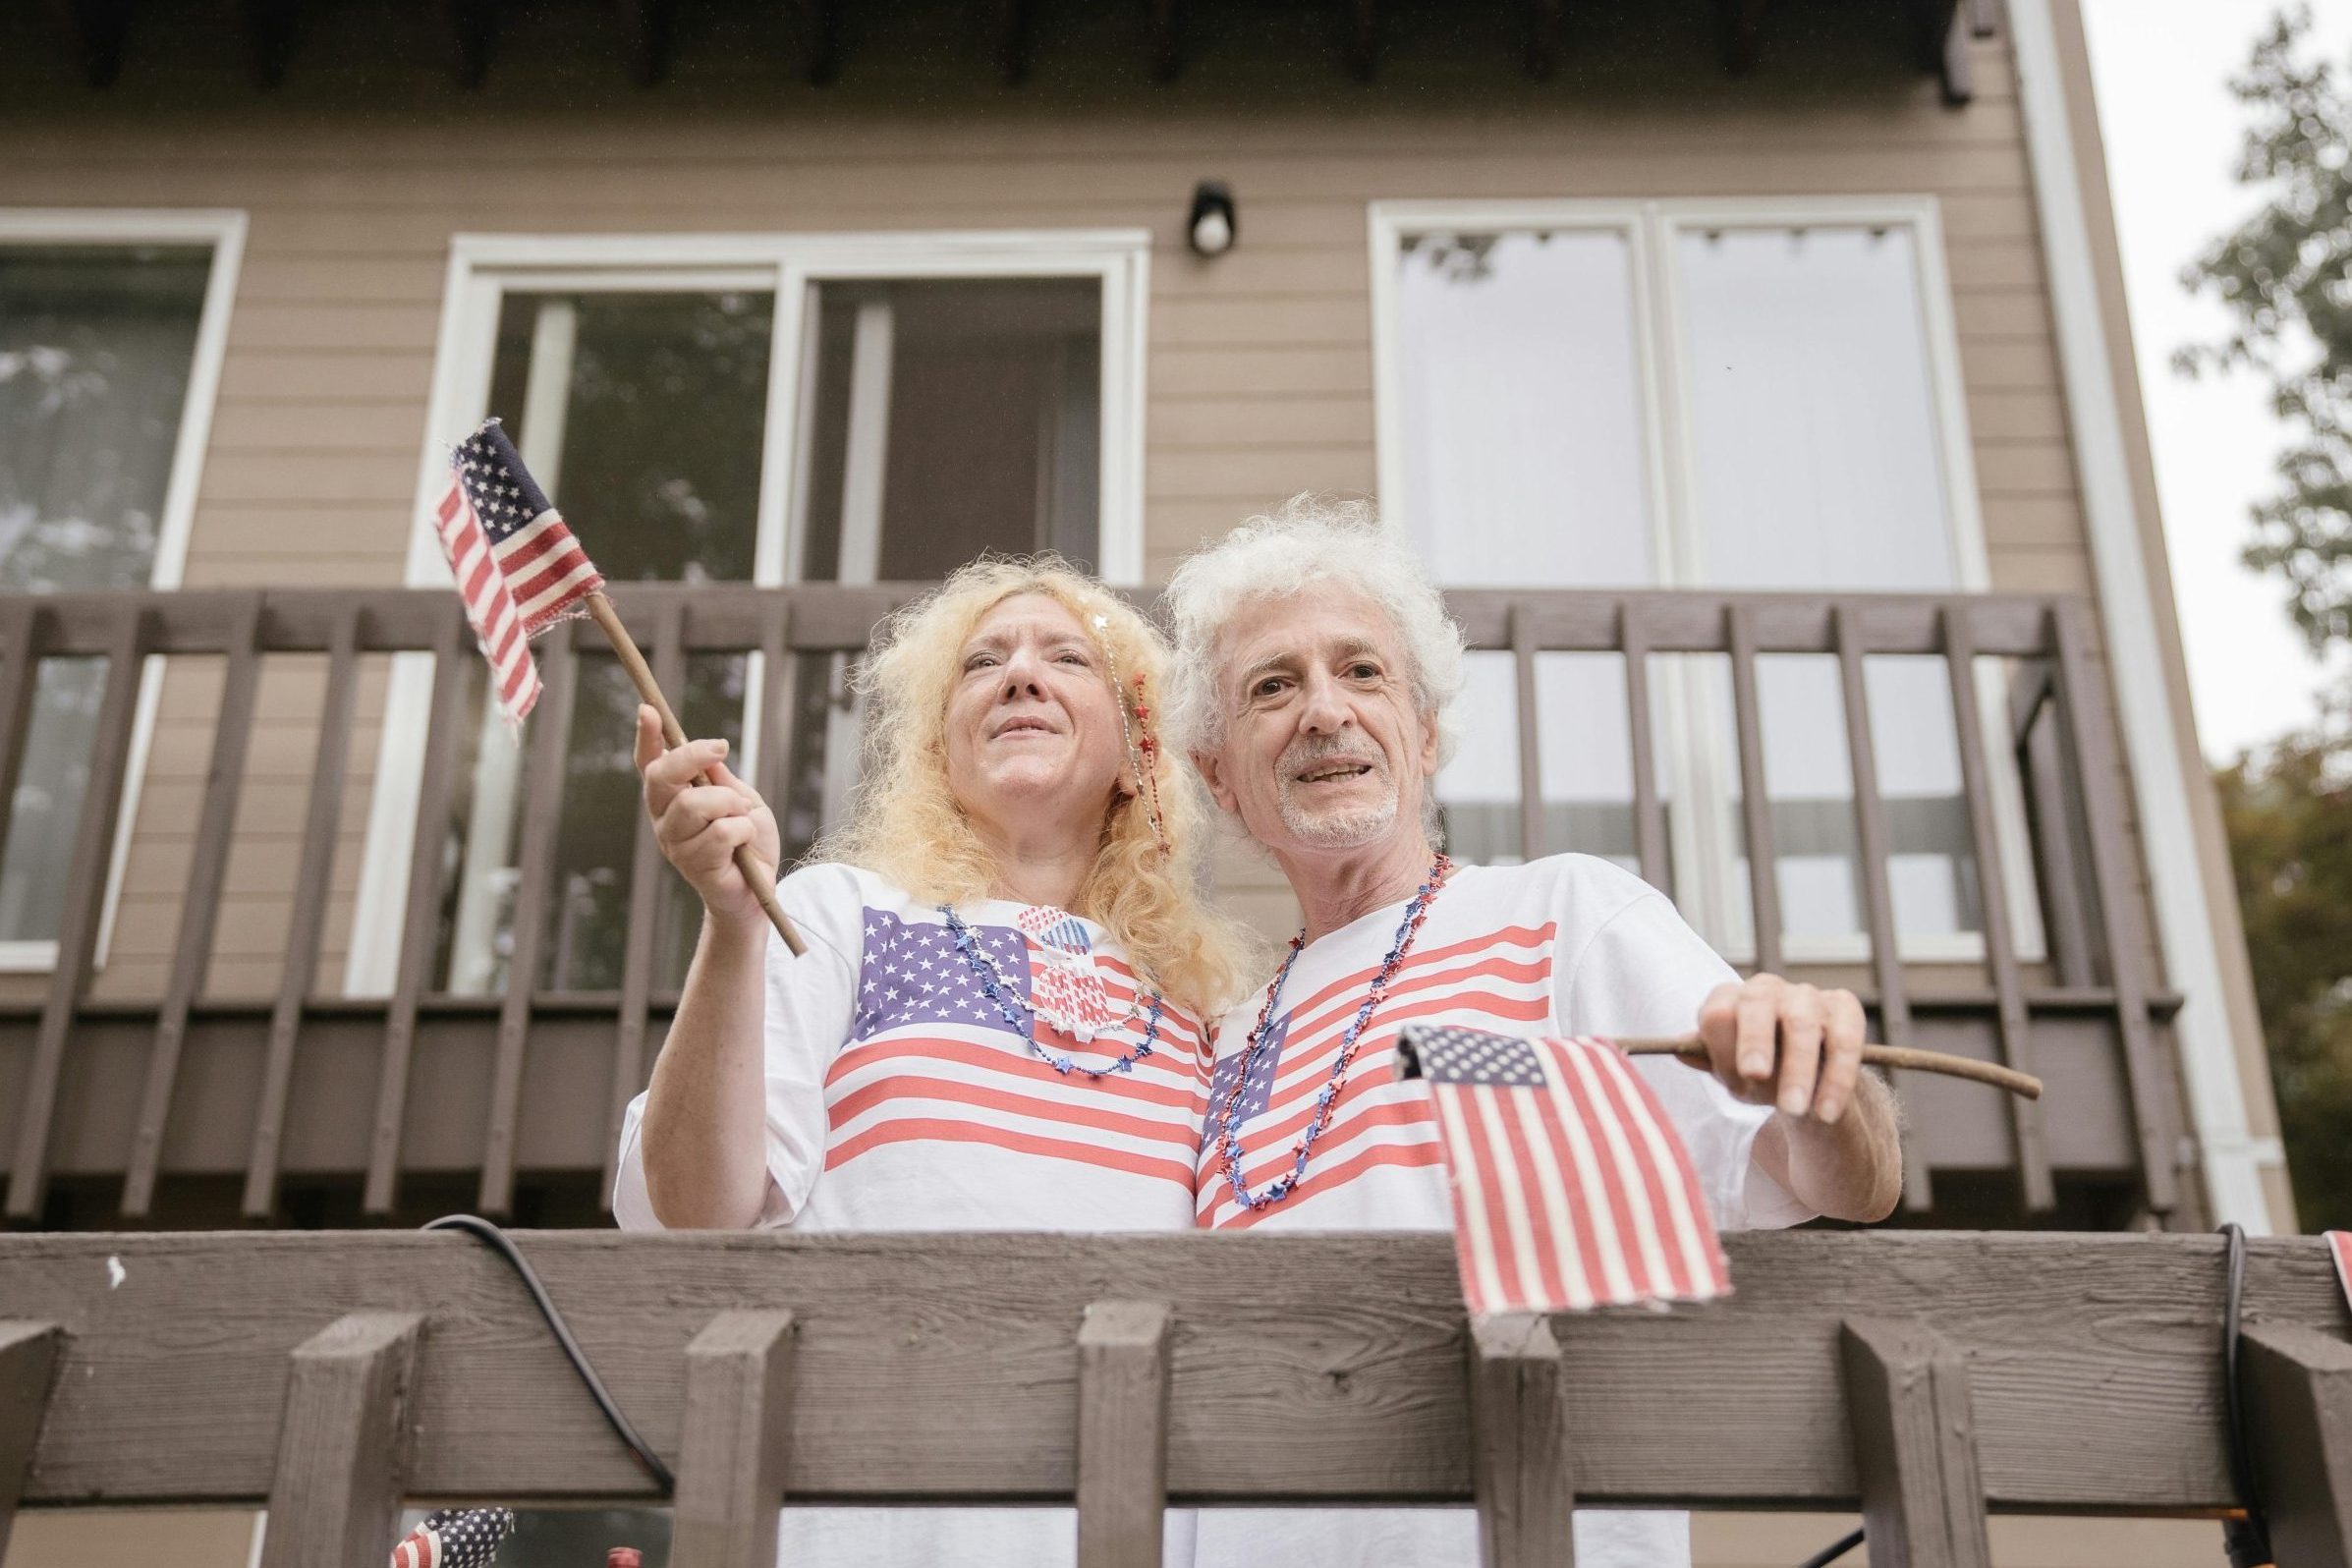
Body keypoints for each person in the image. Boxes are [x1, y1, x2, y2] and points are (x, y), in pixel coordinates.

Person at [1161, 497, 1905, 1568]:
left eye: (1362, 672)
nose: (1323, 710)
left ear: (1422, 731)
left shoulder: (1562, 917)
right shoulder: (1219, 1046)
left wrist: (1819, 1079)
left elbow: (1840, 1183)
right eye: (1273, 686)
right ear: (1219, 773)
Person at [613, 556, 1251, 1566]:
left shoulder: (1209, 1014)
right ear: (939, 755)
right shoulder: (841, 918)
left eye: (1065, 658)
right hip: (866, 1526)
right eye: (983, 663)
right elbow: (698, 1209)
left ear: (1138, 754)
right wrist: (734, 927)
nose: (1020, 676)